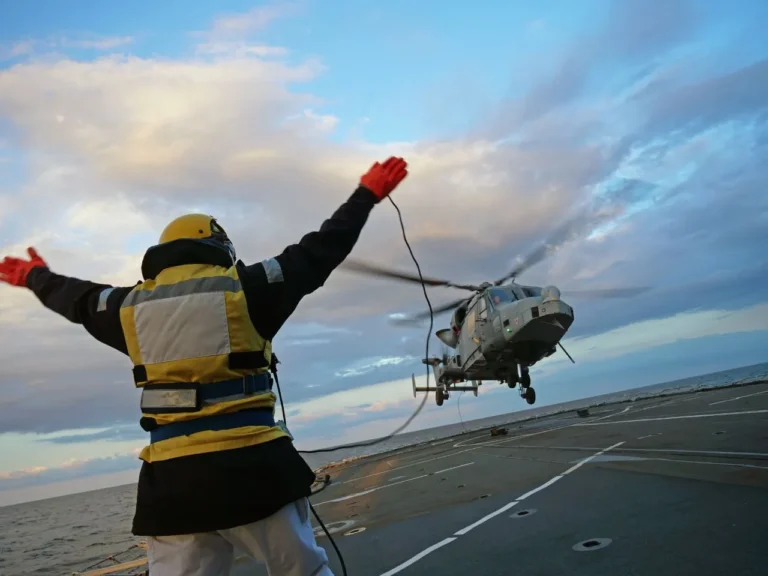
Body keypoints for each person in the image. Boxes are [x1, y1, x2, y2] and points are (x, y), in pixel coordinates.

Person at [0, 156, 409, 576]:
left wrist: (33, 276)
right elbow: (322, 248)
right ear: (220, 248)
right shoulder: (248, 287)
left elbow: (77, 298)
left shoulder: (126, 308)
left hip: (172, 487)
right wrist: (367, 193)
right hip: (256, 471)